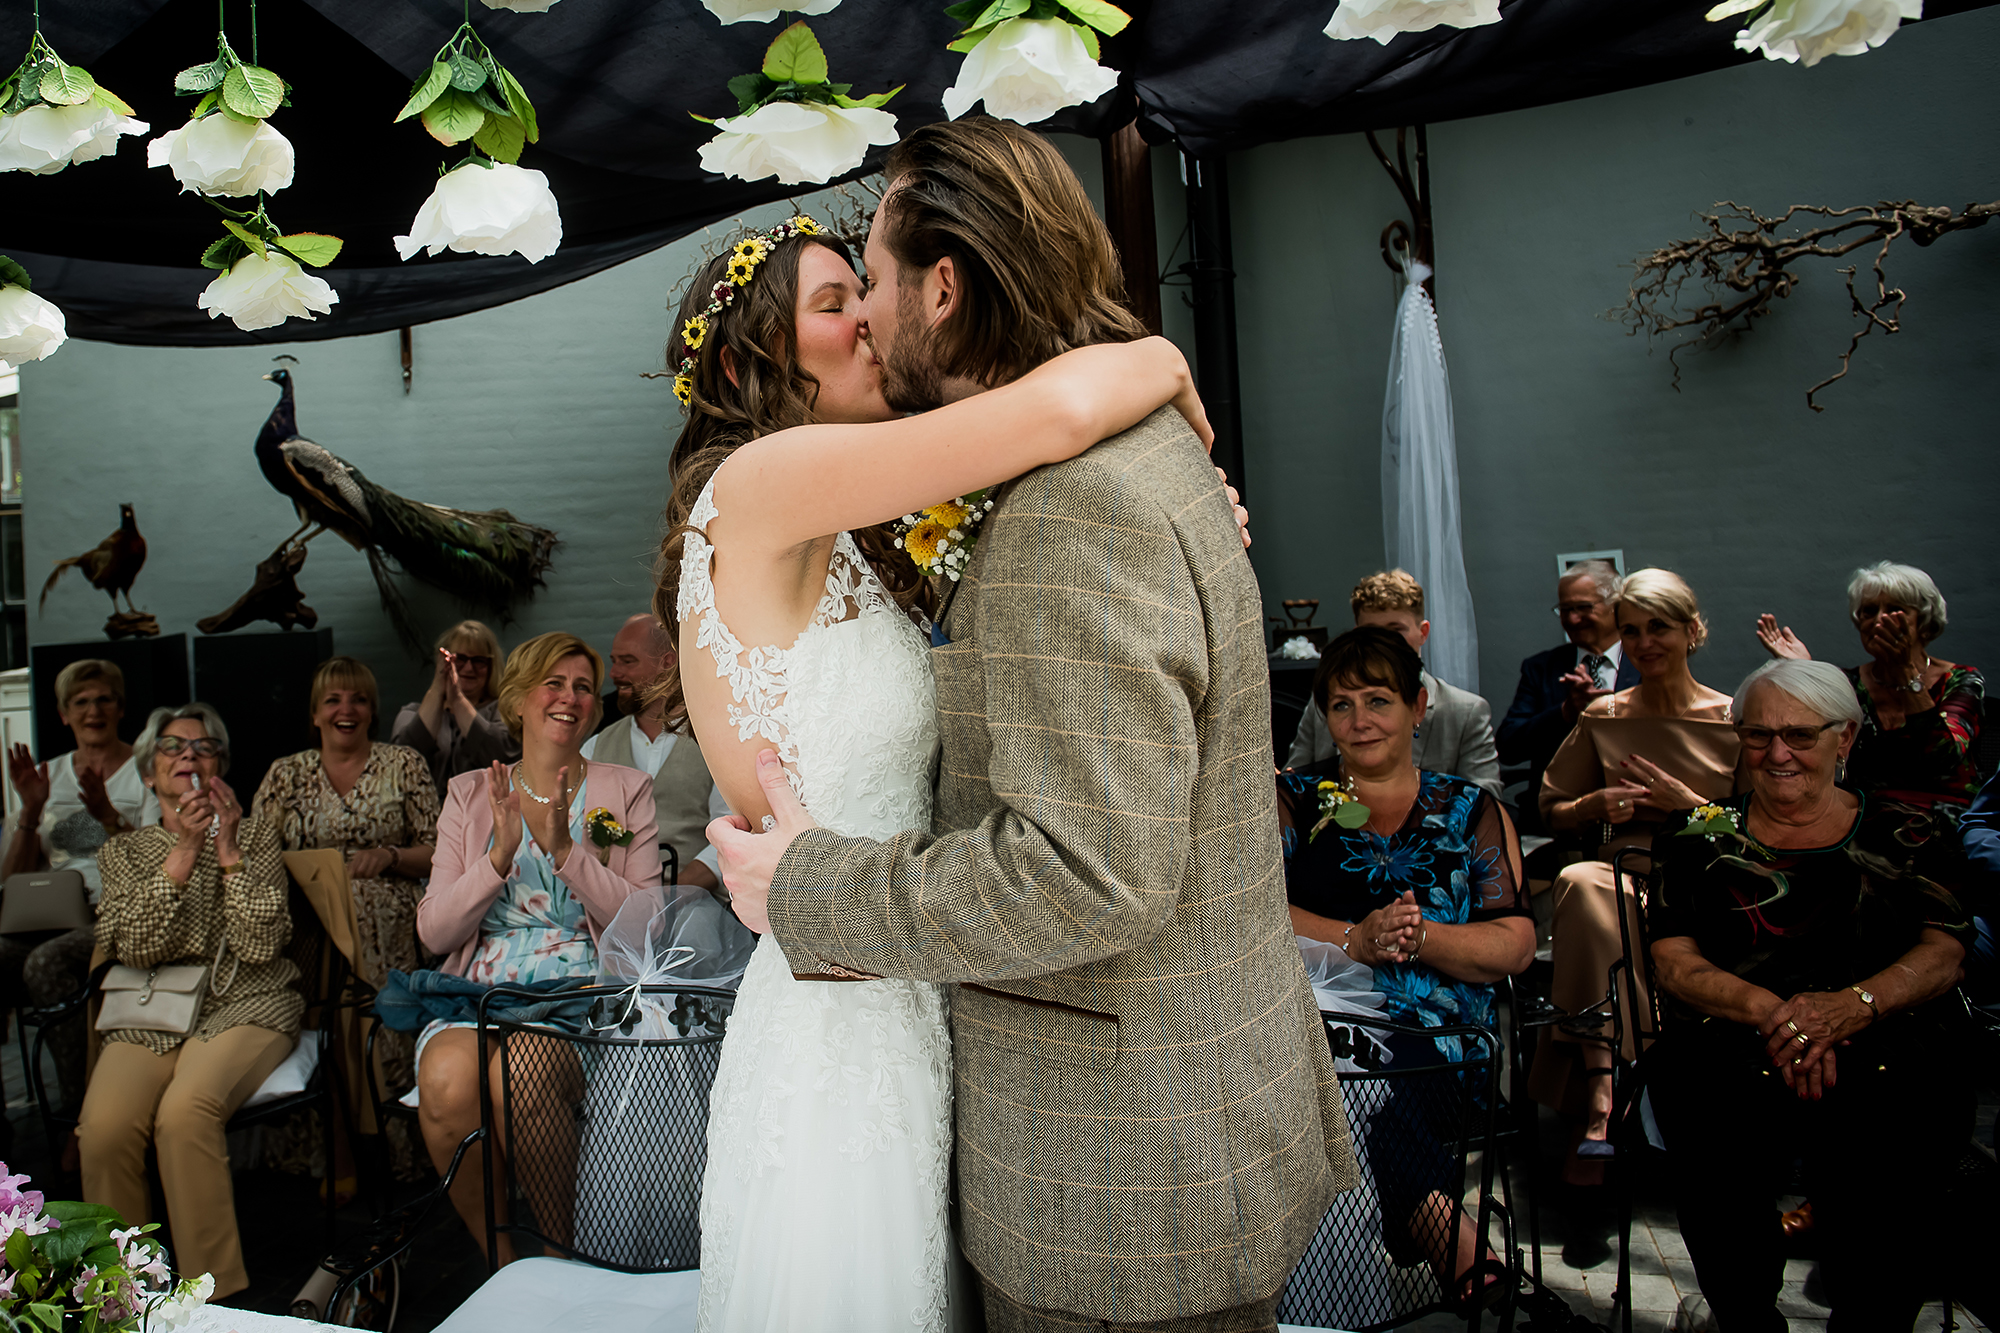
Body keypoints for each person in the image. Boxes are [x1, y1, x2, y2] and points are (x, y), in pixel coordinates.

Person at [697, 119, 1352, 1333]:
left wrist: (812, 885)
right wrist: (1157, 361)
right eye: (833, 302)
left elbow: (1086, 873)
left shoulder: (1071, 506)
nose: (866, 318)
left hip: (1108, 1174)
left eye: (869, 283)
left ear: (943, 289)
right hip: (1000, 1084)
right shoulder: (1049, 474)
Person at [1648, 659, 1974, 1330]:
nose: (1777, 753)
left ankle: (1873, 1312)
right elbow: (1673, 960)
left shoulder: (1910, 832)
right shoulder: (1697, 833)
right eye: (1758, 734)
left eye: (1799, 734)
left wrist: (1852, 1006)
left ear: (1844, 737)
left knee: (1898, 1128)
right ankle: (1743, 1313)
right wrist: (1777, 1014)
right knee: (1704, 1108)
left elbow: (1944, 951)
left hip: (1884, 1037)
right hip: (1736, 1037)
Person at [1276, 627, 1531, 1307]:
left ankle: (1405, 1249)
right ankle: (1456, 1244)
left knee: (1358, 1080)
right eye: (1341, 704)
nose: (1359, 719)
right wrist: (1353, 938)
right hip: (1314, 1025)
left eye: (1378, 700)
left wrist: (1418, 939)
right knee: (1340, 1065)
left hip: (1443, 1041)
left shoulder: (1471, 810)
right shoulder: (1294, 801)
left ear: (1419, 707)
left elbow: (1513, 944)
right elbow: (1247, 908)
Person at [413, 632, 658, 1262]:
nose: (569, 697)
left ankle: (561, 1254)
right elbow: (433, 932)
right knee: (444, 1080)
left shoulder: (624, 791)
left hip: (582, 988)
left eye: (583, 686)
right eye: (554, 683)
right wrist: (497, 859)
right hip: (479, 989)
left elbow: (647, 924)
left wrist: (568, 854)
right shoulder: (469, 794)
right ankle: (501, 1261)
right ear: (520, 698)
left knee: (521, 1071)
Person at [78, 703, 300, 1302]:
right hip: (152, 1009)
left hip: (245, 1002)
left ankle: (213, 1297)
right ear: (148, 774)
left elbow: (261, 945)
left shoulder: (256, 836)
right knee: (103, 1130)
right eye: (172, 747)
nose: (189, 756)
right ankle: (122, 1296)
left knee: (184, 1115)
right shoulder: (123, 853)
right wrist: (182, 852)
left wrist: (226, 850)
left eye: (204, 747)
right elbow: (134, 946)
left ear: (220, 767)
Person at [1529, 568, 1739, 1185]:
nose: (1644, 643)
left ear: (1692, 630)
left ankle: (1618, 1090)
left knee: (1604, 902)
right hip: (1622, 870)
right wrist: (1592, 805)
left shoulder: (1733, 719)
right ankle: (1603, 1088)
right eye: (1631, 631)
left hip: (1706, 878)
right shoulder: (1605, 715)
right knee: (1584, 884)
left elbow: (1752, 828)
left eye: (1659, 628)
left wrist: (1686, 805)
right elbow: (1551, 807)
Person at [252, 656, 438, 1176]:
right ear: (315, 714)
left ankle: (398, 1154)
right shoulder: (285, 773)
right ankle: (325, 1150)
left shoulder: (404, 764)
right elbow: (255, 852)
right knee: (314, 1018)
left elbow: (440, 849)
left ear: (372, 711)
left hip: (385, 928)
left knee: (381, 1016)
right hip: (307, 927)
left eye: (358, 699)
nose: (346, 710)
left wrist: (391, 856)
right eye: (332, 700)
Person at [0, 659, 159, 1133]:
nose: (93, 711)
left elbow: (159, 861)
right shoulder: (45, 776)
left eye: (104, 699)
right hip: (50, 916)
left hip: (116, 915)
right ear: (64, 714)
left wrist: (108, 815)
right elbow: (12, 881)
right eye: (81, 702)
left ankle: (80, 1115)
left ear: (121, 708)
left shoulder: (148, 773)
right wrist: (31, 809)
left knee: (45, 964)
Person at [1756, 561, 1983, 811]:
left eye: (1895, 610)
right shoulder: (1848, 683)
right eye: (1869, 611)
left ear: (1923, 621)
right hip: (1865, 816)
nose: (1879, 620)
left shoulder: (1961, 679)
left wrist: (1905, 672)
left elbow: (1943, 758)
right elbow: (1812, 744)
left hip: (1944, 813)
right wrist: (1806, 670)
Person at [1285, 570, 1502, 799]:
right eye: (1373, 633)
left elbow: (1486, 802)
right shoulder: (1325, 703)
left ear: (1423, 633)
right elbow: (1293, 785)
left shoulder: (1464, 712)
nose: (1384, 643)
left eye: (1396, 631)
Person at [578, 614, 727, 895]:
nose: (614, 673)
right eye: (614, 661)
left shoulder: (714, 740)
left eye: (628, 661)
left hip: (696, 906)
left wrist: (674, 893)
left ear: (667, 662)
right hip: (611, 905)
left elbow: (732, 830)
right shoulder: (595, 748)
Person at [1496, 560, 1639, 830]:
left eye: (1583, 607)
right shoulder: (1541, 668)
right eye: (1565, 610)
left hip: (1633, 816)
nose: (1572, 619)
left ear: (1616, 606)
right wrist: (1565, 713)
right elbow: (1509, 747)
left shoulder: (1644, 661)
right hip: (1555, 822)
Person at [392, 620, 519, 798]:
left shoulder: (504, 710)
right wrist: (438, 688)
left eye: (479, 661)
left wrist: (458, 700)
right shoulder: (411, 712)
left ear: (491, 666)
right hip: (424, 812)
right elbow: (402, 760)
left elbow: (503, 756)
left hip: (485, 812)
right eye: (459, 659)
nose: (469, 668)